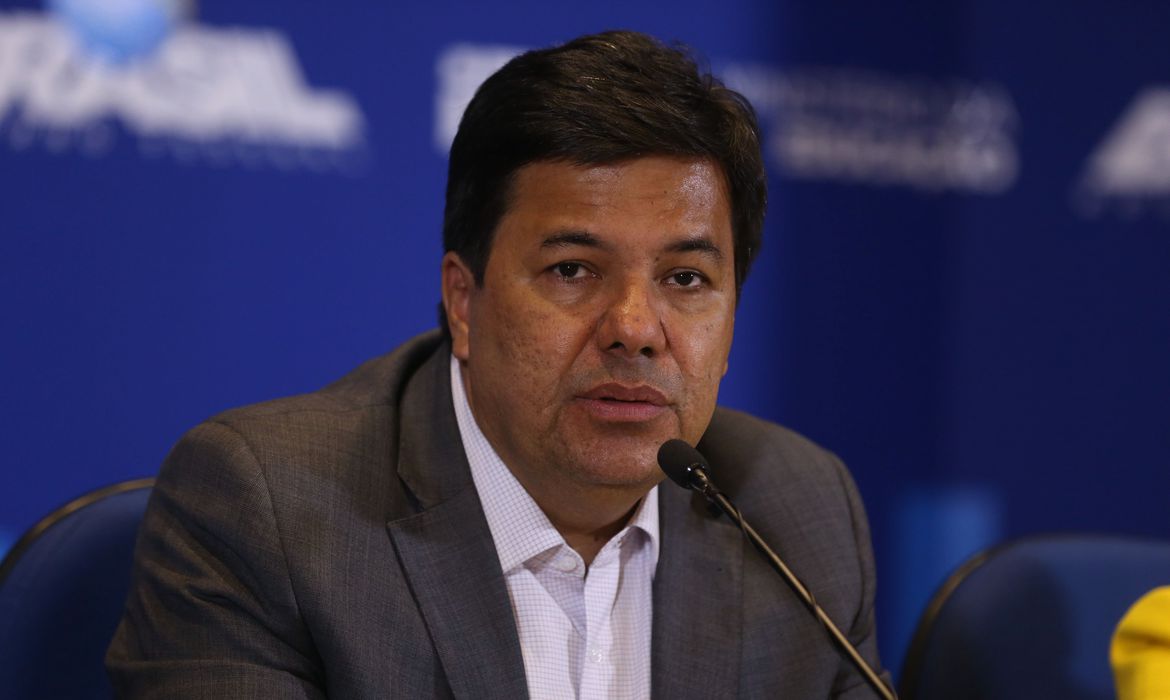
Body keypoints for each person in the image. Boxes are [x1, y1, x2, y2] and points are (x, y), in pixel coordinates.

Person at [107, 30, 888, 698]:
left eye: (685, 280)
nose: (635, 329)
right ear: (463, 302)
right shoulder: (271, 512)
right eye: (573, 270)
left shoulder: (798, 515)